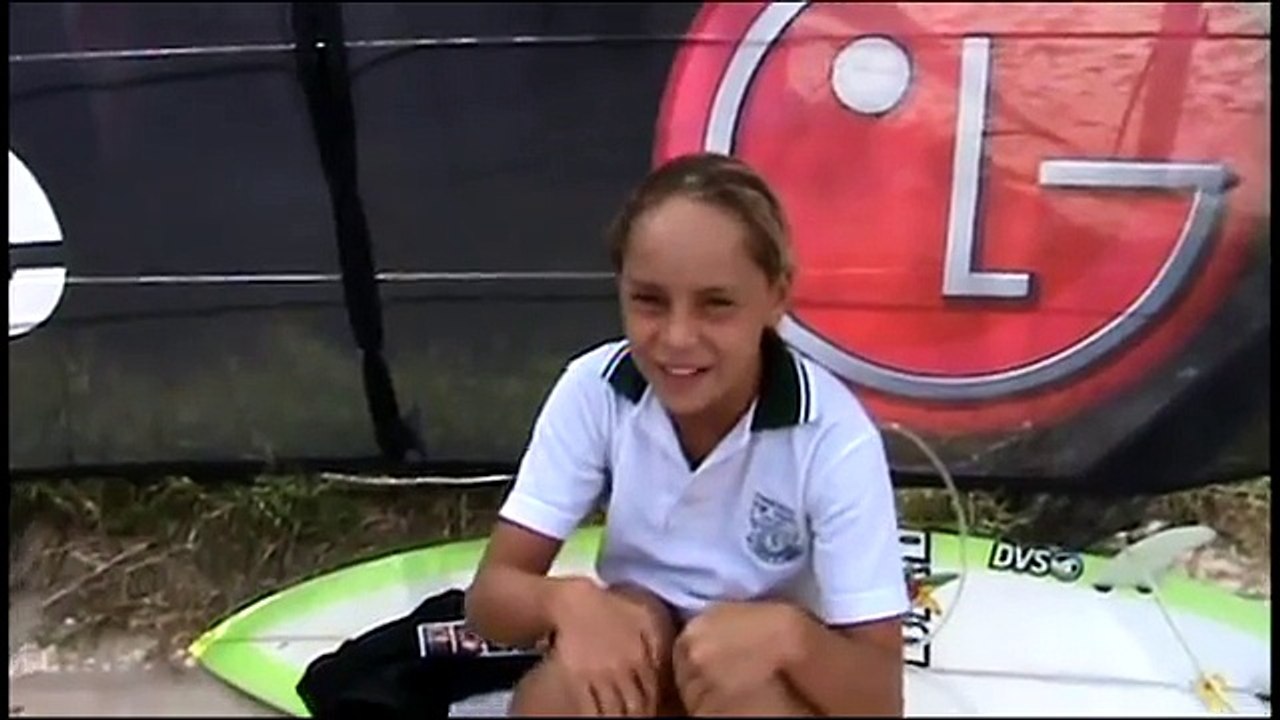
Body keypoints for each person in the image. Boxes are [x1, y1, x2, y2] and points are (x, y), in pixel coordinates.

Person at [465, 152, 909, 717]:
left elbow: (880, 700)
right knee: (569, 686)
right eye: (649, 300)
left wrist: (788, 636)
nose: (677, 337)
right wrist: (566, 602)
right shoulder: (595, 389)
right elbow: (489, 598)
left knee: (744, 693)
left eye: (716, 304)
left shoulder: (833, 436)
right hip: (642, 637)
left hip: (760, 675)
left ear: (776, 296)